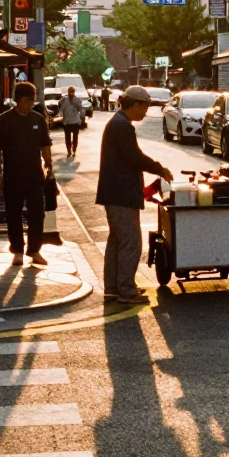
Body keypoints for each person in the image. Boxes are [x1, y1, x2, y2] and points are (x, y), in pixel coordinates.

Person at [95, 85, 173, 304]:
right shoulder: (122, 127)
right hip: (121, 193)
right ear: (135, 104)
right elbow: (135, 157)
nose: (146, 112)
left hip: (113, 192)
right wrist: (160, 168)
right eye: (145, 106)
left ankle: (113, 287)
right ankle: (126, 290)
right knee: (130, 242)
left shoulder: (118, 122)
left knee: (117, 242)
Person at [0, 81, 53, 267]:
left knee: (37, 213)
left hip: (35, 174)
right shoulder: (4, 120)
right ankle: (17, 250)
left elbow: (45, 145)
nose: (30, 105)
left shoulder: (38, 119)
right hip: (12, 174)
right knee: (13, 213)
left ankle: (34, 250)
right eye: (27, 101)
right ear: (18, 100)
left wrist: (49, 168)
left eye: (32, 101)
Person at [59, 86, 83, 157]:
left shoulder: (78, 100)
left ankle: (74, 150)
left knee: (75, 137)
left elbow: (80, 109)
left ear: (74, 92)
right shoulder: (64, 100)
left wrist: (78, 107)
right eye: (70, 92)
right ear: (68, 92)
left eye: (72, 92)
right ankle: (69, 151)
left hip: (75, 121)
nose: (71, 93)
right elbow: (61, 110)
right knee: (67, 137)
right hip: (67, 122)